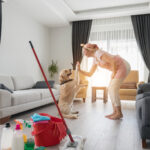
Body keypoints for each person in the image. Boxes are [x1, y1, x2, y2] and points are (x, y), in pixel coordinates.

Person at [77, 43, 131, 120]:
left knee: (113, 89)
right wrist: (79, 70)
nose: (83, 53)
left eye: (84, 51)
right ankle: (115, 112)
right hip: (118, 68)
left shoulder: (98, 53)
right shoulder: (95, 59)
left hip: (122, 66)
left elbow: (112, 61)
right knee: (110, 89)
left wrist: (114, 73)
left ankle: (119, 113)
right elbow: (90, 74)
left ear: (89, 50)